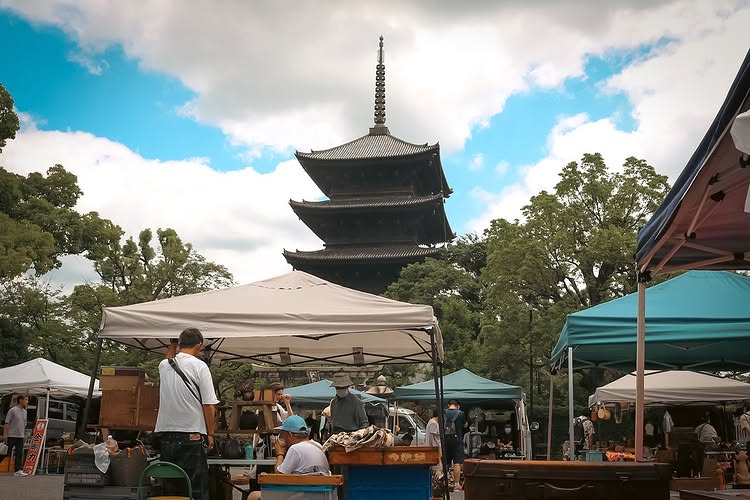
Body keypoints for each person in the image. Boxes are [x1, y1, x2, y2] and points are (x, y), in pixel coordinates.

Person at [155, 328, 219, 500]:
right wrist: (211, 433)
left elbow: (168, 357)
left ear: (179, 344)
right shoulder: (200, 366)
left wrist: (173, 344)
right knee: (195, 487)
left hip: (166, 434)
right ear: (199, 346)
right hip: (192, 434)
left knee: (171, 488)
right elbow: (209, 405)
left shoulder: (164, 366)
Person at [247, 415, 330, 500]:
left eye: (283, 435)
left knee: (253, 495)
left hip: (303, 494)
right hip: (320, 494)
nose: (282, 438)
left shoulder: (295, 449)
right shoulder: (318, 445)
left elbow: (279, 475)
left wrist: (280, 453)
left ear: (290, 435)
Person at [2, 395, 29, 476]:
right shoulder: (12, 410)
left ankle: (18, 470)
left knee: (19, 453)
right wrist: (5, 434)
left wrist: (24, 435)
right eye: (26, 399)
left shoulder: (25, 412)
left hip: (20, 436)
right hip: (11, 435)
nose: (27, 401)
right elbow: (6, 423)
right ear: (20, 400)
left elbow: (24, 425)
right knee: (5, 452)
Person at [444, 400, 467, 491]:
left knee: (446, 462)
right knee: (457, 462)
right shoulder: (461, 413)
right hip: (457, 440)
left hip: (445, 440)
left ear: (448, 405)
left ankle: (444, 482)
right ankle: (457, 484)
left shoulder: (443, 412)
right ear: (457, 406)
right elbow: (465, 425)